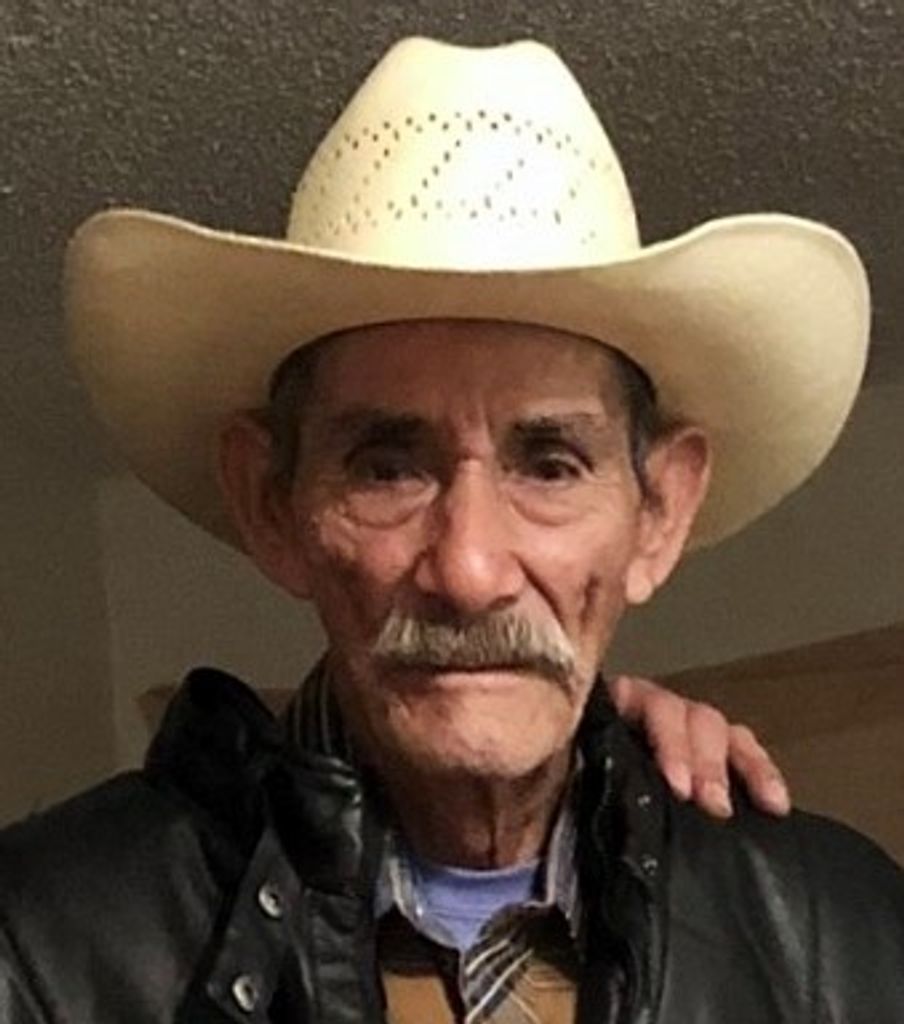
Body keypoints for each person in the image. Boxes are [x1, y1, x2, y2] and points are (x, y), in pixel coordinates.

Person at [1, 35, 901, 1024]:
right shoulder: (41, 948)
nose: (469, 572)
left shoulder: (843, 936)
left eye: (549, 465)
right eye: (388, 468)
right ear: (272, 503)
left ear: (659, 515)